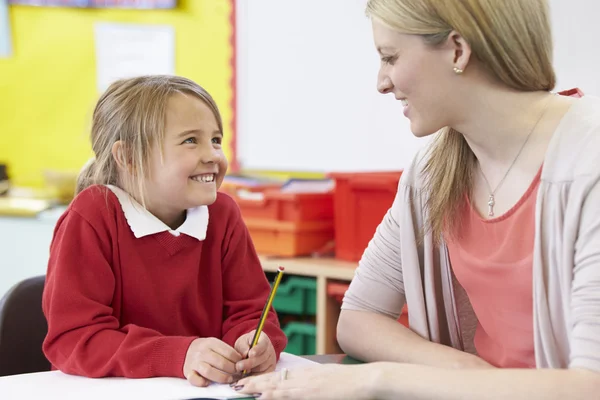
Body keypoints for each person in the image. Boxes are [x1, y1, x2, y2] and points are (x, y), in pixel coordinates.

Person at [237, 0, 600, 398]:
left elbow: (590, 385)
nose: (382, 82)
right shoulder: (433, 171)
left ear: (458, 50)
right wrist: (465, 371)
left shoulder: (587, 165)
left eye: (390, 57)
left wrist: (377, 380)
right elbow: (358, 317)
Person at [42, 75, 287, 387]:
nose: (213, 155)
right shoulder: (92, 216)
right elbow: (75, 339)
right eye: (190, 140)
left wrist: (255, 341)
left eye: (215, 140)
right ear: (129, 157)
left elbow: (251, 313)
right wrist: (178, 354)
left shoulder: (223, 214)